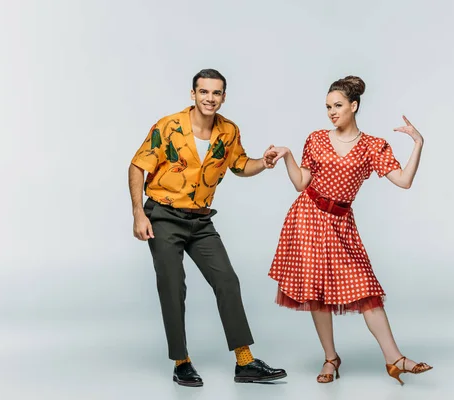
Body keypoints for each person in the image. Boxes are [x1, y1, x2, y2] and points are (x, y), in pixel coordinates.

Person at [266, 75, 432, 385]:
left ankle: (395, 359)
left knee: (367, 290)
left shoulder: (372, 146)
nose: (331, 112)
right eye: (328, 106)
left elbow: (404, 181)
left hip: (341, 224)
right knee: (315, 293)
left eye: (338, 105)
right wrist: (288, 155)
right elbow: (301, 183)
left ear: (354, 106)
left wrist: (419, 143)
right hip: (307, 217)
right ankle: (331, 358)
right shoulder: (315, 138)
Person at [128, 69, 286, 387]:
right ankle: (181, 362)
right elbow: (137, 165)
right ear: (193, 94)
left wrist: (264, 162)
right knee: (173, 285)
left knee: (226, 279)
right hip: (163, 215)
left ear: (223, 97)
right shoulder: (168, 126)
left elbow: (241, 165)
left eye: (216, 93)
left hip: (200, 220)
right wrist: (138, 214)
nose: (209, 98)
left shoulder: (228, 131)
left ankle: (245, 362)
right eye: (204, 92)